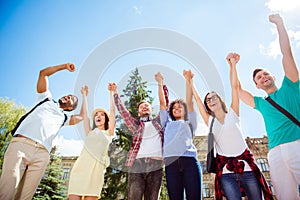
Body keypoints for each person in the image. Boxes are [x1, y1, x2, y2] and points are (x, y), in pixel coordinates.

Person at [192, 53, 273, 200]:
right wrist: (190, 82)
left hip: (247, 169)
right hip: (226, 172)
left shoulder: (233, 113)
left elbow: (235, 87)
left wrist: (233, 65)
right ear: (208, 106)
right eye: (208, 100)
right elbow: (197, 101)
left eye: (213, 97)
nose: (211, 100)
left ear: (220, 100)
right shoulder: (210, 121)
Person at [0, 63, 85, 200]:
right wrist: (64, 67)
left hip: (42, 154)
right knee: (7, 189)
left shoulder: (64, 118)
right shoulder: (46, 99)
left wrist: (84, 96)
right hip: (21, 145)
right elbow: (43, 73)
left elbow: (81, 117)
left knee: (25, 196)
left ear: (70, 108)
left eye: (71, 99)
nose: (67, 97)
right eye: (68, 95)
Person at [238, 14, 300, 200]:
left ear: (273, 76)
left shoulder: (291, 85)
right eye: (258, 78)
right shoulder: (261, 103)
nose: (263, 77)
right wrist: (232, 66)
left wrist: (279, 24)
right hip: (274, 153)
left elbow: (286, 53)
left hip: (297, 144)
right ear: (257, 86)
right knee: (284, 196)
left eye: (265, 74)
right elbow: (238, 91)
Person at [108, 82, 164, 200]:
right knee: (134, 197)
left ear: (151, 109)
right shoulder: (136, 125)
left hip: (156, 165)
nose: (144, 107)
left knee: (153, 198)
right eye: (141, 106)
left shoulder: (158, 122)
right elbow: (123, 113)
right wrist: (115, 93)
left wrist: (161, 84)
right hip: (137, 165)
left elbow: (165, 104)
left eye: (147, 105)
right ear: (138, 112)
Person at [156, 70, 202, 200]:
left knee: (194, 196)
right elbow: (162, 103)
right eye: (174, 108)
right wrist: (160, 83)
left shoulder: (190, 121)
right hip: (171, 163)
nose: (176, 109)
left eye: (180, 107)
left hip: (189, 161)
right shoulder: (167, 122)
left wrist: (188, 80)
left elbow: (190, 101)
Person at [68, 85, 116, 200]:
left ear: (106, 119)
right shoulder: (89, 132)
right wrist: (84, 95)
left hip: (96, 170)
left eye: (102, 115)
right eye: (96, 115)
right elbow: (85, 114)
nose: (98, 116)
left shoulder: (109, 133)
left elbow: (113, 113)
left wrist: (111, 94)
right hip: (80, 168)